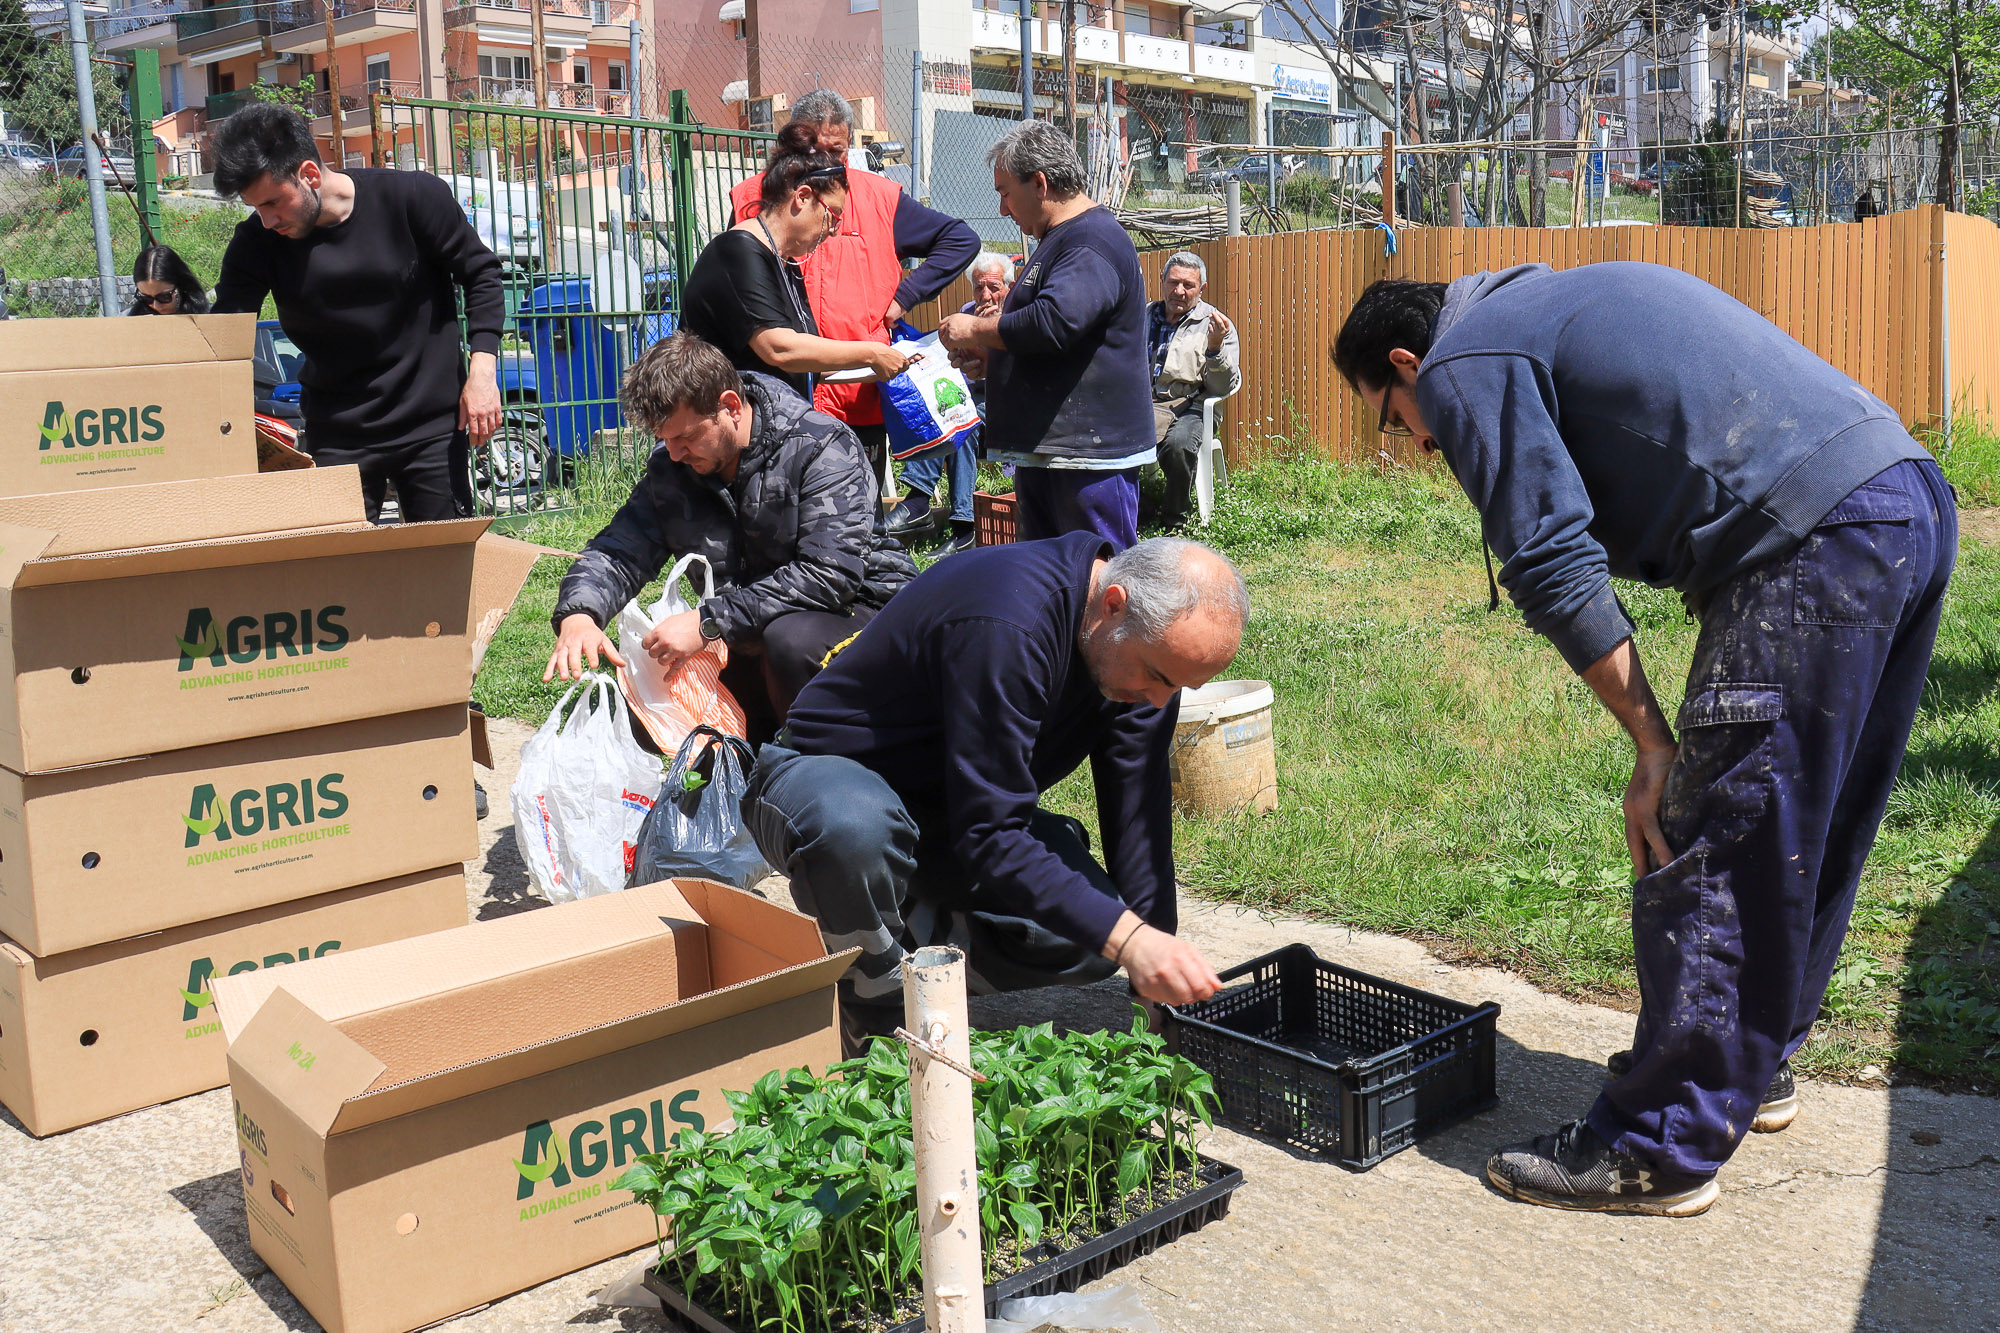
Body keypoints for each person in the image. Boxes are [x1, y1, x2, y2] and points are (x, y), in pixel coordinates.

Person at [1333, 265, 1955, 1217]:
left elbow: (1547, 553)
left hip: (1812, 534)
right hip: (1900, 497)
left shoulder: (1466, 360)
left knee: (1720, 830)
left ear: (1408, 362)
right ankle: (1753, 1064)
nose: (1416, 444)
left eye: (1393, 417)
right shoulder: (1540, 305)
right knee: (1804, 822)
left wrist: (1650, 743)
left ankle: (1659, 1141)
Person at [743, 534, 1244, 1055]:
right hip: (824, 781)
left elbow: (1138, 819)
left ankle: (902, 938)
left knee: (1093, 937)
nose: (1160, 700)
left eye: (1181, 687)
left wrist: (1152, 982)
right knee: (852, 830)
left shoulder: (1134, 653)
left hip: (947, 812)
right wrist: (1132, 939)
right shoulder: (1009, 623)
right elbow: (992, 836)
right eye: (1159, 676)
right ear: (1114, 605)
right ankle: (879, 1027)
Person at [544, 333, 916, 746]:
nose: (674, 453)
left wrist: (708, 622)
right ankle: (744, 768)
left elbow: (831, 576)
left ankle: (825, 771)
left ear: (731, 407)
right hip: (747, 624)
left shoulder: (820, 446)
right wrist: (581, 614)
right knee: (646, 683)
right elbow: (619, 549)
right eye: (663, 439)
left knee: (789, 641)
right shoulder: (673, 468)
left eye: (684, 437)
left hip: (863, 614)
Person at [210, 104, 503, 523]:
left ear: (309, 174)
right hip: (336, 433)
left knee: (443, 568)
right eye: (256, 207)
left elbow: (483, 275)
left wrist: (482, 374)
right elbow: (226, 335)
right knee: (341, 576)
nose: (267, 219)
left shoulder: (412, 198)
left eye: (274, 201)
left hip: (431, 425)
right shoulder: (257, 242)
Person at [729, 90, 980, 468]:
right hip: (781, 392)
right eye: (815, 148)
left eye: (838, 150)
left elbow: (960, 240)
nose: (828, 161)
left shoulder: (877, 196)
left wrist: (905, 297)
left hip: (855, 392)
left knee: (858, 511)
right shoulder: (754, 197)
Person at [937, 121, 1153, 549]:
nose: (1002, 208)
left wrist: (974, 327)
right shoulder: (1062, 241)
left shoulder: (1091, 240)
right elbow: (1058, 339)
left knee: (1097, 585)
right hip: (1058, 456)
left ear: (1039, 183)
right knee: (1055, 589)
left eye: (1004, 192)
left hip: (1089, 462)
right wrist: (993, 358)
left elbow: (1055, 322)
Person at [682, 123, 913, 403]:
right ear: (802, 197)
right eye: (833, 215)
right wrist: (871, 352)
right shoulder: (737, 251)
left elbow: (808, 366)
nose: (835, 230)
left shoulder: (785, 263)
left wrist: (889, 365)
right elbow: (779, 349)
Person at [885, 252, 1012, 555]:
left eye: (993, 287)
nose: (986, 295)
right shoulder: (968, 312)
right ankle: (923, 503)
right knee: (946, 415)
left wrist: (986, 333)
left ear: (1009, 286)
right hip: (968, 400)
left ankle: (959, 524)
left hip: (1006, 405)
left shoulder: (1015, 316)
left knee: (961, 424)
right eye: (979, 287)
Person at [1145, 251, 1239, 529]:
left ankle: (1174, 521)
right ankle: (1133, 508)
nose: (1179, 291)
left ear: (1202, 288)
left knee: (1178, 446)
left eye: (1189, 285)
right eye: (1174, 282)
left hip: (1192, 407)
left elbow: (1223, 387)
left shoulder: (1216, 325)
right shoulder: (1143, 317)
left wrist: (1215, 349)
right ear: (1162, 280)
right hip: (1142, 403)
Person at [128, 243, 209, 315]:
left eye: (164, 297)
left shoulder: (207, 318)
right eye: (146, 298)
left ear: (181, 286)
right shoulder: (132, 319)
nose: (156, 306)